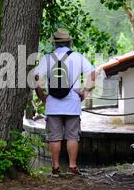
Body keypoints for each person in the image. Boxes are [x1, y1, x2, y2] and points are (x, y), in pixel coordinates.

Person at [34, 28, 96, 175]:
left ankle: (55, 168)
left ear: (55, 44)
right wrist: (85, 92)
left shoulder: (47, 58)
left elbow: (35, 78)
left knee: (54, 137)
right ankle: (72, 167)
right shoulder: (78, 57)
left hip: (53, 104)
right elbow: (93, 74)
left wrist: (42, 96)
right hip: (72, 103)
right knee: (72, 136)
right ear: (69, 42)